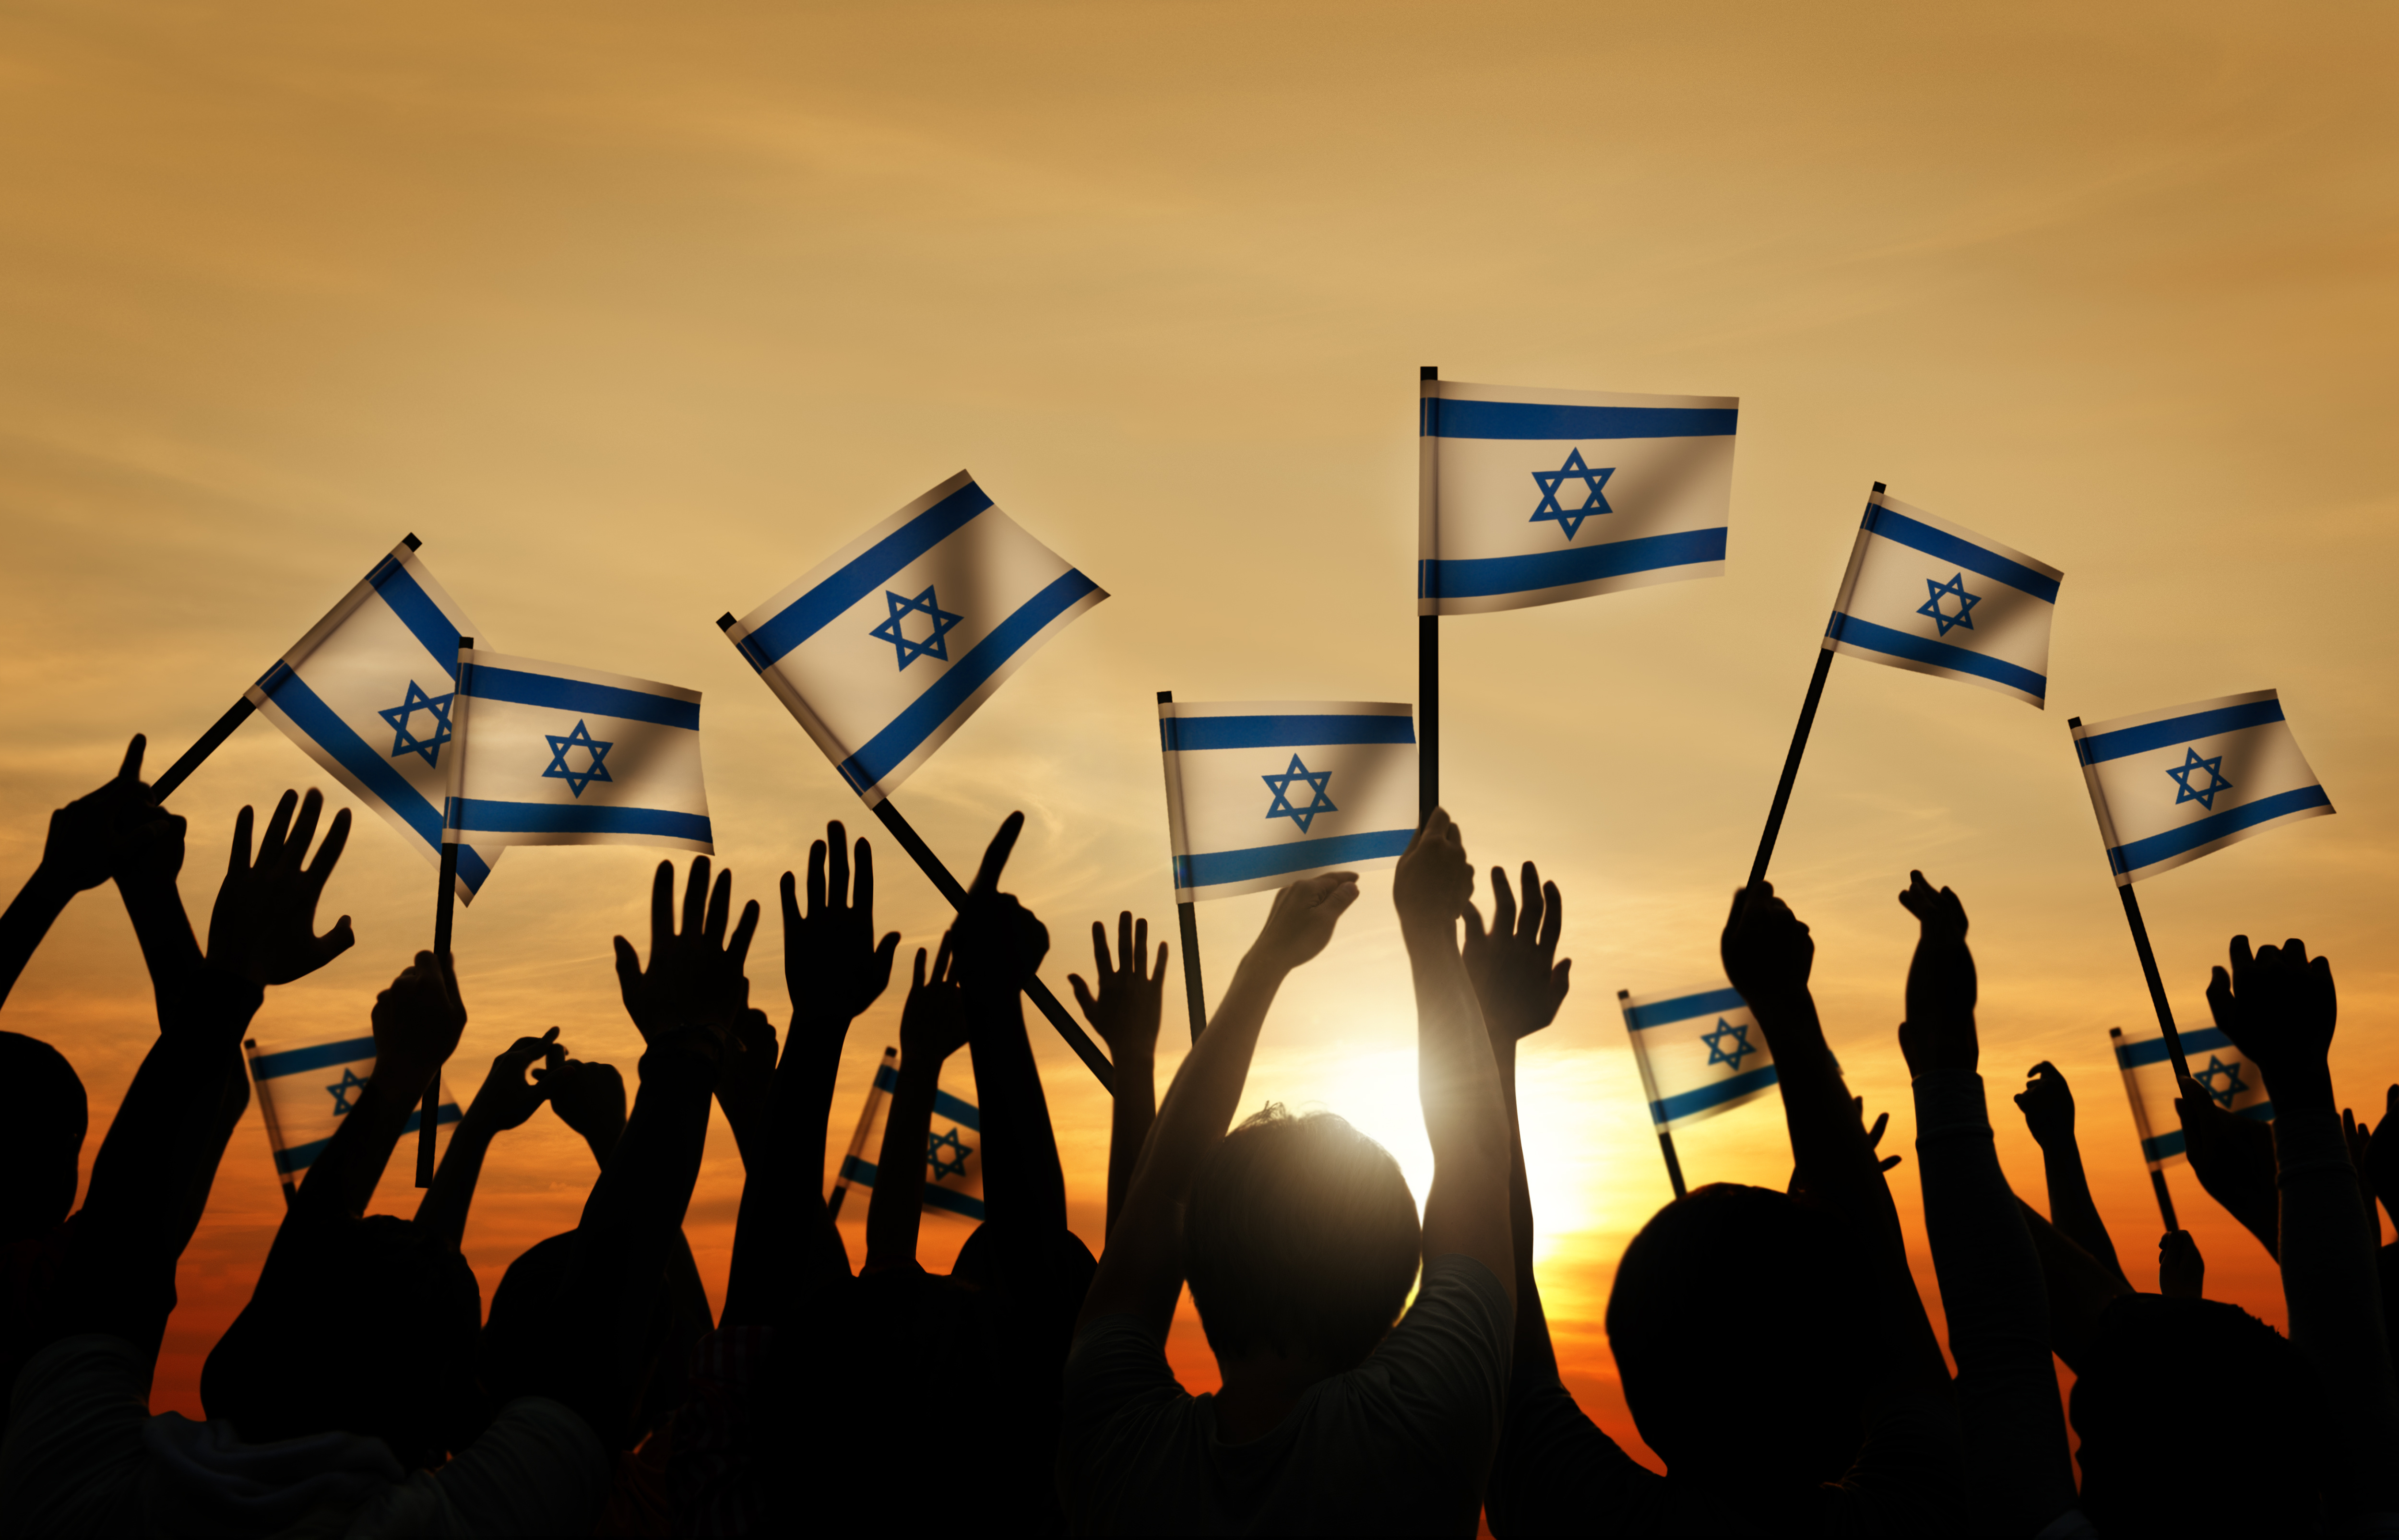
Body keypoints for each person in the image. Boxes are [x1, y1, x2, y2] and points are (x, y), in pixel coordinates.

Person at [1059, 808, 1515, 1535]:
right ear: (1397, 1281)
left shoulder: (1118, 1446)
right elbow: (1479, 1158)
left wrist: (1264, 963)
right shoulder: (1425, 1426)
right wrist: (1430, 929)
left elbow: (1159, 1192)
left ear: (1197, 1264)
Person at [1488, 877, 1964, 1535]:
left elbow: (1500, 1286)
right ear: (1845, 1368)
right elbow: (1881, 1278)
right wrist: (1784, 1001)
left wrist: (1490, 1036)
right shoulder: (1922, 1511)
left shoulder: (1582, 1513)